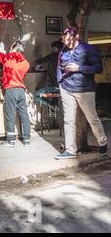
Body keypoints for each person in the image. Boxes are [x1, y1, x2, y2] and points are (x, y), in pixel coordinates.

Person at [55, 27, 108, 159]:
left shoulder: (89, 49)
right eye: (64, 40)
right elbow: (59, 68)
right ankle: (70, 150)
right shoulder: (62, 51)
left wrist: (78, 68)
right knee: (68, 121)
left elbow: (99, 68)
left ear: (76, 36)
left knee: (92, 118)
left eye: (69, 39)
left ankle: (102, 143)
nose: (67, 42)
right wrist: (60, 83)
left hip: (85, 89)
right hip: (67, 89)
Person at [0, 41, 31, 147]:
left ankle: (10, 140)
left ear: (14, 47)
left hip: (11, 89)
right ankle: (27, 139)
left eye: (11, 46)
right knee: (24, 114)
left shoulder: (8, 58)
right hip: (21, 89)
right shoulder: (26, 63)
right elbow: (21, 75)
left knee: (10, 114)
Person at [34, 40, 64, 108]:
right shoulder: (66, 57)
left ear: (55, 48)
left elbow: (38, 62)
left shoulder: (52, 56)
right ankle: (55, 104)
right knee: (54, 94)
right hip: (63, 90)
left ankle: (52, 105)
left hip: (53, 88)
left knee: (37, 95)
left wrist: (37, 66)